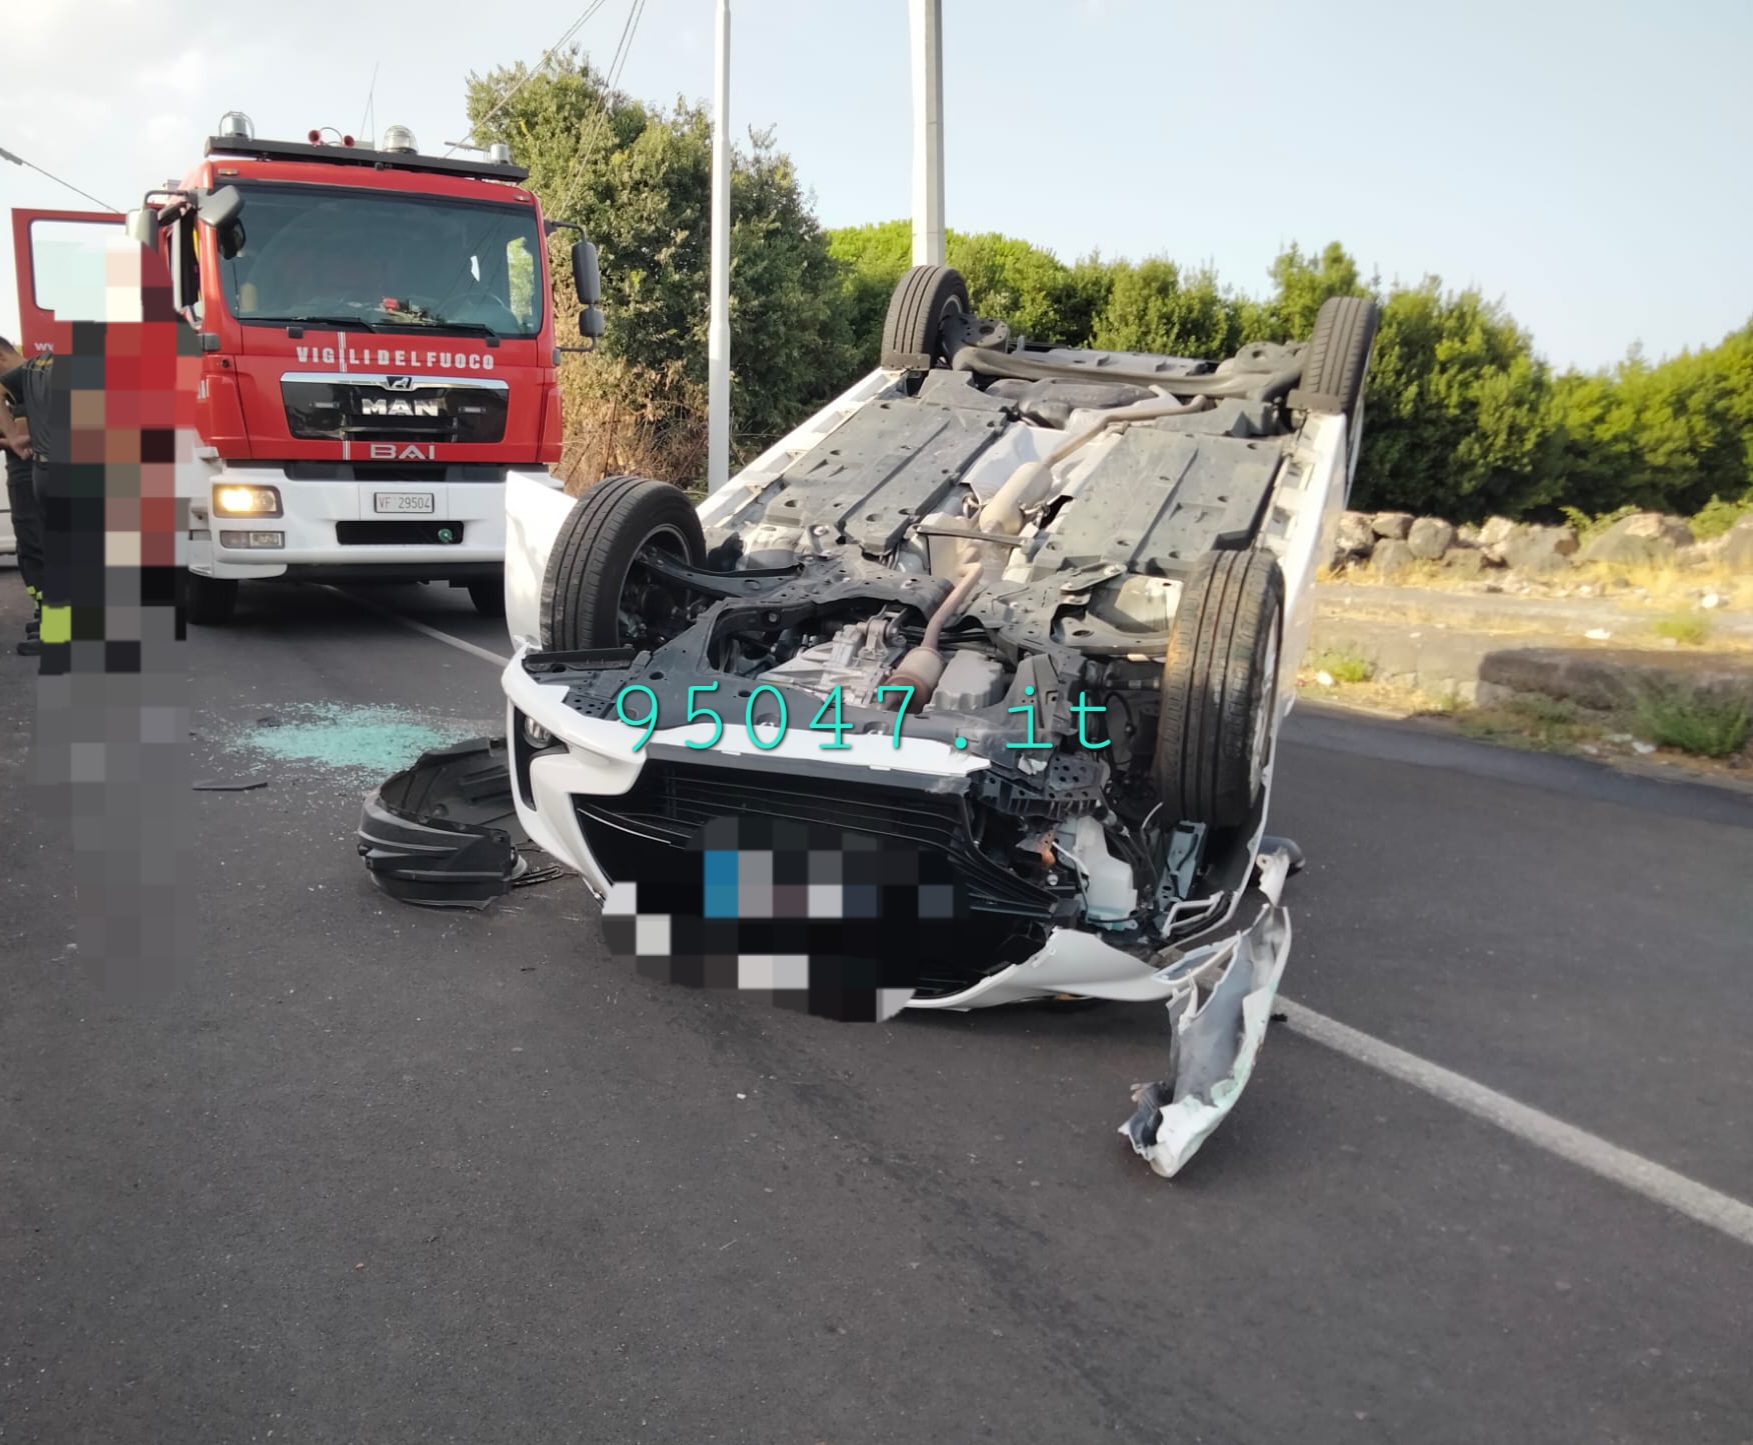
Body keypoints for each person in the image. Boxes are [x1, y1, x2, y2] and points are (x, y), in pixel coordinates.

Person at [0, 336, 46, 655]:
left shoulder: (30, 377)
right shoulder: (35, 377)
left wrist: (17, 439)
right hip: (41, 474)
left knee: (38, 547)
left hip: (34, 474)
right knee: (36, 547)